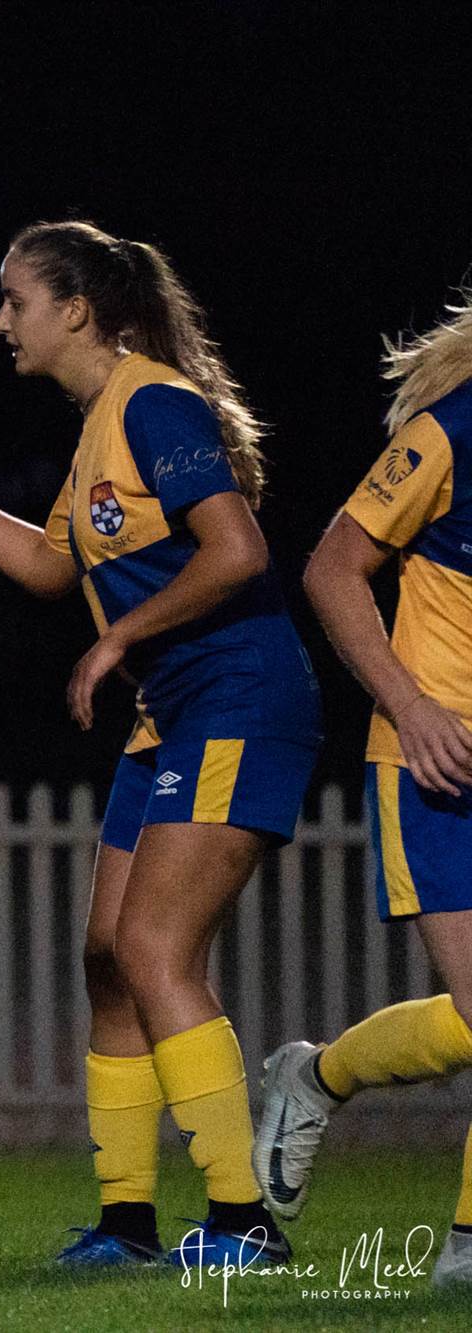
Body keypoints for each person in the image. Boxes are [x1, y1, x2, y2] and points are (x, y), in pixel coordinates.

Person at [0, 220, 320, 1269]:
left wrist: (118, 634)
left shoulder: (153, 402)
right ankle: (126, 1225)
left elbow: (236, 550)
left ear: (75, 307)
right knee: (104, 959)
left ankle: (244, 1222)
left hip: (237, 697)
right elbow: (46, 567)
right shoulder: (96, 425)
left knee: (152, 951)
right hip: (170, 712)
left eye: (13, 300)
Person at [256, 291, 472, 1289]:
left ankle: (316, 1074)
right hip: (439, 757)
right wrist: (410, 703)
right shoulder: (446, 432)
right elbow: (332, 567)